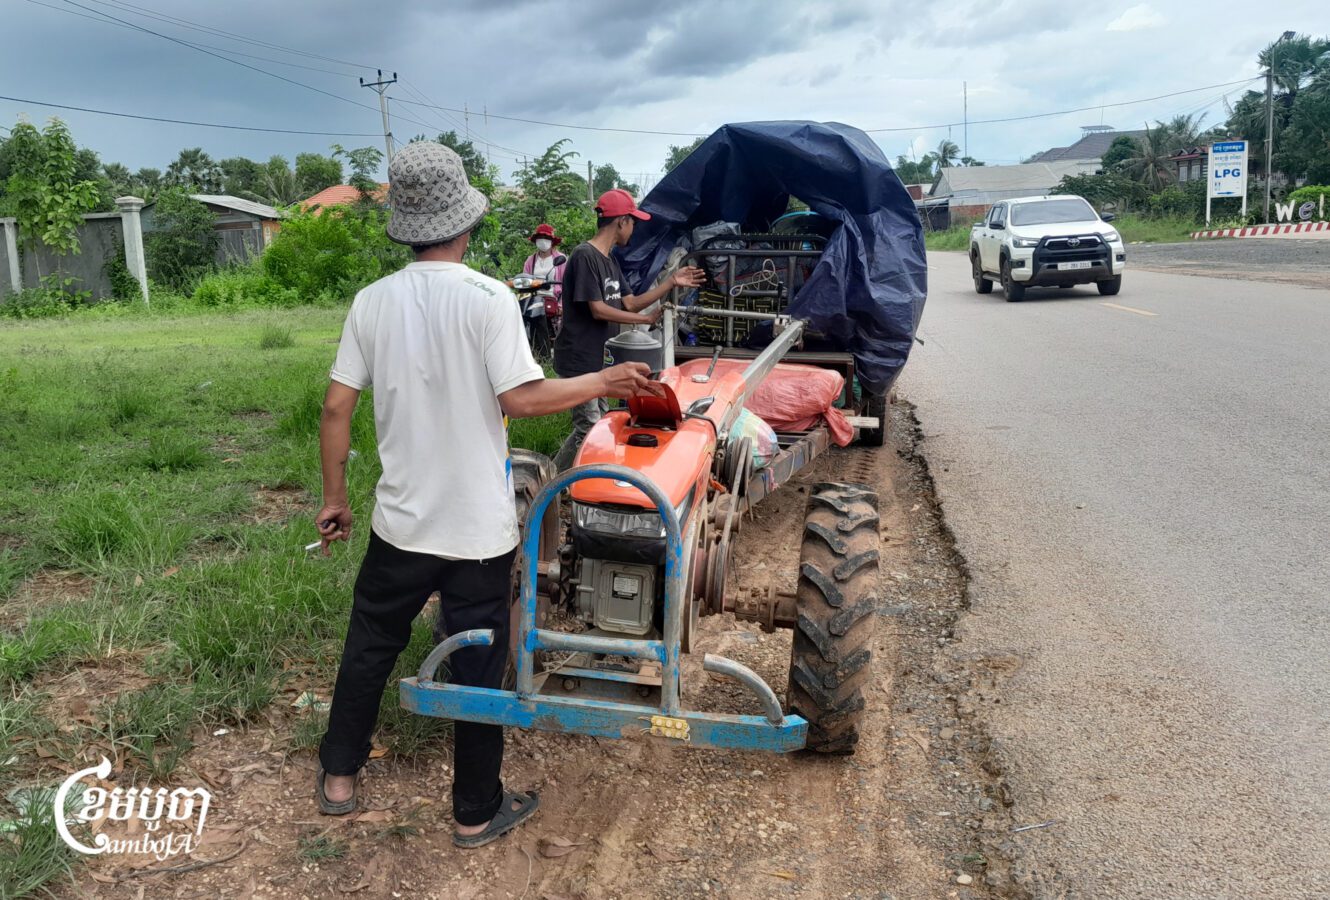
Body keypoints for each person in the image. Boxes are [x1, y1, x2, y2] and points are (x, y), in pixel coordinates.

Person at [313, 143, 658, 849]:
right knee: (479, 667)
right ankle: (475, 811)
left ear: (407, 227)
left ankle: (339, 777)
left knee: (369, 646)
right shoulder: (489, 298)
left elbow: (335, 408)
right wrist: (603, 382)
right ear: (465, 223)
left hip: (399, 527)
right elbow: (523, 399)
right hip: (476, 534)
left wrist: (335, 498)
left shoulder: (371, 302)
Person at [551, 188, 705, 470]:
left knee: (599, 424)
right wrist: (646, 321)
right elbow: (597, 309)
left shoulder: (610, 262)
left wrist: (670, 282)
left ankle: (559, 479)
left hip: (599, 360)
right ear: (621, 221)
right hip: (579, 359)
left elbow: (631, 303)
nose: (634, 228)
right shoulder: (585, 256)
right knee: (589, 429)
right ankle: (552, 483)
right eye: (633, 222)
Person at [520, 224, 565, 357]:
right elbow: (525, 280)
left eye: (545, 238)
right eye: (540, 238)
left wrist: (562, 304)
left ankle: (549, 354)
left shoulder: (560, 260)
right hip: (534, 298)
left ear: (552, 241)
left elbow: (566, 284)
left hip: (554, 298)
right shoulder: (531, 260)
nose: (542, 241)